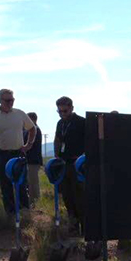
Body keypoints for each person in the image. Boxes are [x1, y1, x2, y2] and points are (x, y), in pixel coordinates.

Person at [0, 88, 35, 211]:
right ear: (0, 100)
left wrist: (29, 144)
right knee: (5, 186)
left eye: (12, 100)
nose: (10, 102)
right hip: (0, 154)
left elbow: (32, 128)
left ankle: (24, 211)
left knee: (21, 184)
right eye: (7, 100)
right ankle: (10, 214)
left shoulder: (19, 113)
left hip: (18, 154)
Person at [53, 96, 86, 232]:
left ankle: (85, 227)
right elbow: (58, 140)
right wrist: (56, 157)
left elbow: (89, 141)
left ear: (72, 108)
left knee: (80, 197)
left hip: (78, 165)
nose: (62, 114)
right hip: (64, 164)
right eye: (59, 111)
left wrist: (84, 156)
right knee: (67, 196)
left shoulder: (81, 122)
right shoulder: (60, 123)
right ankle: (73, 224)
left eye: (65, 111)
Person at [25, 112, 44, 203]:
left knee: (32, 183)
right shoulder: (34, 129)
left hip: (32, 160)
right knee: (30, 182)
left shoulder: (34, 130)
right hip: (32, 160)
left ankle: (35, 201)